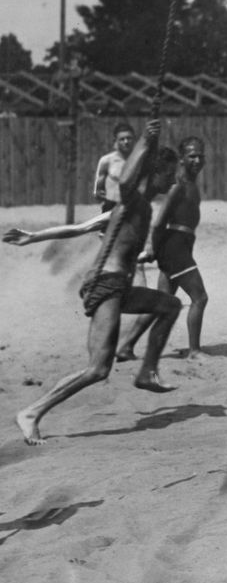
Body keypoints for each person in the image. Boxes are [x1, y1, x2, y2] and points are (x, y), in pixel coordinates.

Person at [5, 118, 181, 446]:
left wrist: (33, 237)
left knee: (170, 305)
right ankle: (32, 412)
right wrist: (144, 139)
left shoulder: (137, 209)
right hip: (107, 284)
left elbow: (79, 229)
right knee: (98, 369)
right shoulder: (134, 201)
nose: (172, 182)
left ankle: (146, 371)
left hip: (119, 286)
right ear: (155, 174)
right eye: (169, 176)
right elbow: (127, 181)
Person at [115, 136, 209, 361]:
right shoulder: (178, 186)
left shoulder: (191, 184)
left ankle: (126, 346)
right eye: (191, 156)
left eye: (200, 155)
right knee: (200, 298)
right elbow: (158, 223)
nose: (196, 160)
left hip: (181, 245)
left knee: (160, 301)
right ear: (182, 160)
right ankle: (194, 351)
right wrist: (154, 250)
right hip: (174, 247)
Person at [93, 123, 137, 212]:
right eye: (122, 139)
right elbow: (98, 191)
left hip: (134, 207)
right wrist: (100, 195)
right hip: (111, 207)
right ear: (115, 141)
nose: (126, 142)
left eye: (129, 138)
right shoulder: (106, 161)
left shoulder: (139, 160)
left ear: (134, 140)